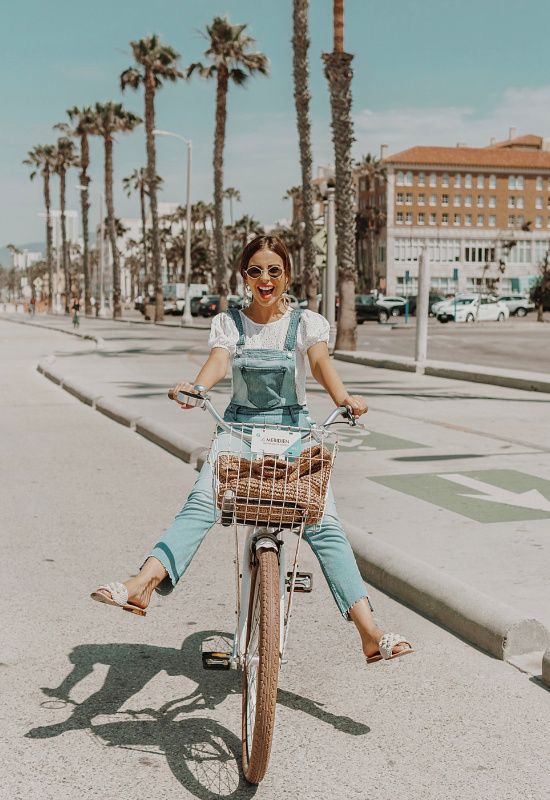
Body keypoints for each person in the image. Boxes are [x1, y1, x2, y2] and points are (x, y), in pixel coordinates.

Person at [91, 235, 413, 664]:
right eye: (256, 271)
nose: (265, 279)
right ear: (244, 277)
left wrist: (344, 399)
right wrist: (197, 388)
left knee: (323, 521)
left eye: (274, 271)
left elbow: (319, 362)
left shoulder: (306, 323)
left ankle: (369, 631)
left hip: (295, 432)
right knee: (202, 502)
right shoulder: (230, 323)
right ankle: (144, 583)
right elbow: (220, 361)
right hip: (239, 429)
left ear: (288, 276)